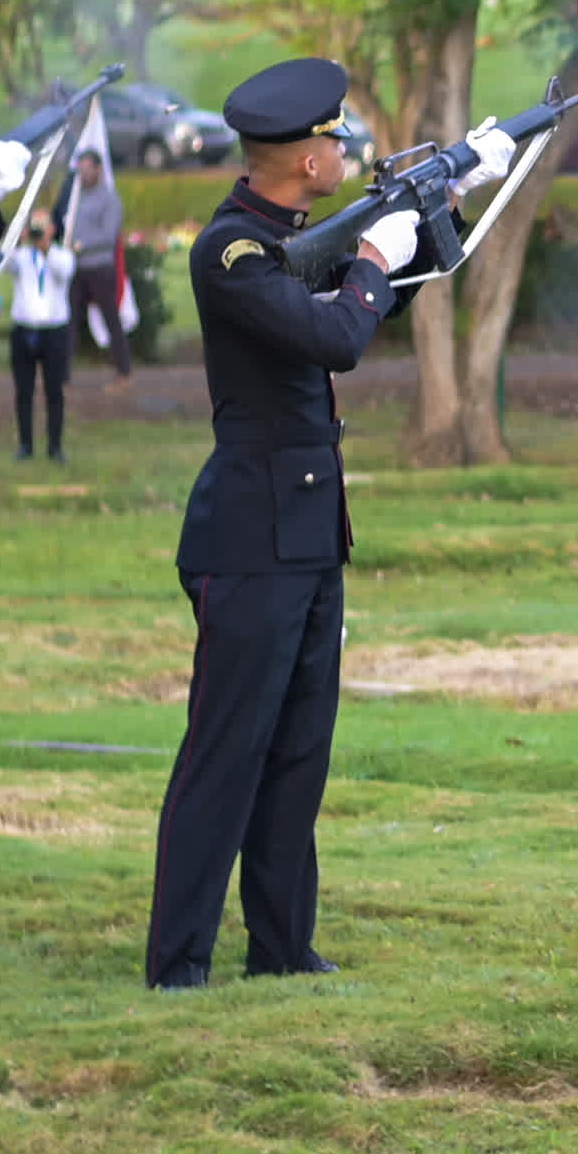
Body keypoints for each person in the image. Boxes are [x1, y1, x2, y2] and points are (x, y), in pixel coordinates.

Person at [140, 58, 448, 990]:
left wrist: (436, 211)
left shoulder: (299, 236)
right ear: (304, 159)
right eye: (333, 138)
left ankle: (280, 942)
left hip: (310, 531)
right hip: (250, 536)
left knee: (298, 751)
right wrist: (371, 261)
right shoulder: (231, 250)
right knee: (226, 750)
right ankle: (178, 956)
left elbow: (381, 294)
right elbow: (337, 338)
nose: (344, 148)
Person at [4, 211, 76, 460]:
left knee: (54, 390)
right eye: (34, 226)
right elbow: (3, 261)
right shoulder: (22, 256)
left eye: (41, 227)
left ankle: (55, 447)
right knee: (23, 391)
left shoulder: (62, 255)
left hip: (54, 331)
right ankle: (25, 446)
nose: (38, 232)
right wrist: (18, 237)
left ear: (52, 229)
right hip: (24, 329)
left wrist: (45, 249)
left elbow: (62, 273)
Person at [68, 140, 133, 380]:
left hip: (100, 268)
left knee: (110, 319)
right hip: (76, 268)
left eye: (87, 169)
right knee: (69, 321)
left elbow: (108, 236)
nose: (83, 174)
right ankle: (61, 374)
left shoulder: (109, 199)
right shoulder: (76, 198)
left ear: (98, 169)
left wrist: (80, 245)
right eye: (80, 169)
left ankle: (123, 371)